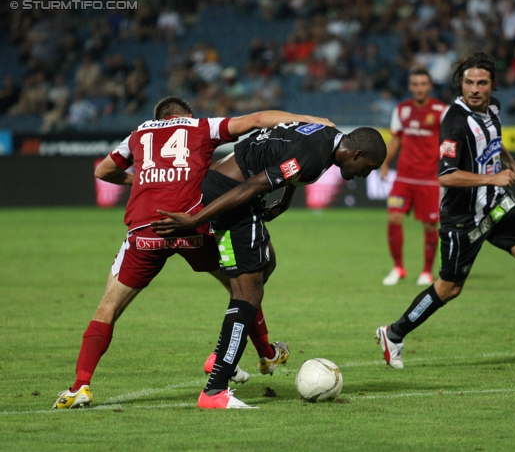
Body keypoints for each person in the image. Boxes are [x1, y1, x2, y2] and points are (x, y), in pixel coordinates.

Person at [53, 96, 334, 409]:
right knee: (242, 287)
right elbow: (257, 119)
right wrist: (307, 118)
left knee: (108, 307)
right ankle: (266, 354)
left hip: (146, 231)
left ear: (158, 117)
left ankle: (80, 386)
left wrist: (144, 182)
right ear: (185, 114)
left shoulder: (138, 135)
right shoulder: (200, 126)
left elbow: (104, 171)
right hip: (193, 226)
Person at [151, 123, 387, 408]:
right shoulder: (315, 156)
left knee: (266, 265)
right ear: (357, 154)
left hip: (231, 186)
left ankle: (225, 355)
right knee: (247, 294)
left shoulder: (327, 138)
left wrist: (284, 201)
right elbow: (255, 184)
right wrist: (196, 219)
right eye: (369, 167)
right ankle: (215, 390)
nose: (366, 174)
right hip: (235, 194)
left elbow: (287, 157)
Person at [375, 52, 515, 370]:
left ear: (492, 85)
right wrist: (493, 176)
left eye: (482, 83)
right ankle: (394, 333)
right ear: (461, 85)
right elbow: (446, 175)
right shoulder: (455, 123)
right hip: (463, 217)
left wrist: (506, 159)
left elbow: (493, 137)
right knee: (449, 288)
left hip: (498, 205)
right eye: (469, 83)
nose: (475, 89)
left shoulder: (493, 107)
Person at [379, 66, 448, 286]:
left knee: (429, 226)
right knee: (393, 218)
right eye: (415, 84)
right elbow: (395, 140)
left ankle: (427, 271)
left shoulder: (441, 110)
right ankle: (398, 268)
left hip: (430, 179)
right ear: (410, 87)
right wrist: (385, 163)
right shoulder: (401, 110)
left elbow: (449, 142)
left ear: (430, 86)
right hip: (404, 177)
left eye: (423, 84)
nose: (419, 88)